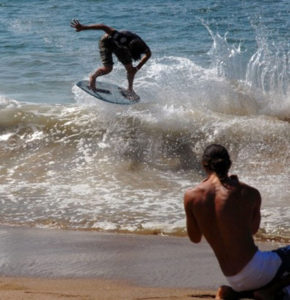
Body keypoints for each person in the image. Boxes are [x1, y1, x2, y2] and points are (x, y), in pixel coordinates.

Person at [183, 144, 290, 299]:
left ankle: (234, 292)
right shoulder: (249, 192)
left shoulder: (191, 196)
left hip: (233, 278)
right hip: (259, 271)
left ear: (203, 164)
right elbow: (252, 230)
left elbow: (195, 238)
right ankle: (272, 290)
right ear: (229, 164)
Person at [70, 19, 151, 100]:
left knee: (131, 70)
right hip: (106, 42)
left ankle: (130, 89)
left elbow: (148, 54)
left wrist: (137, 68)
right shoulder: (120, 37)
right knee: (108, 69)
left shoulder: (142, 45)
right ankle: (93, 77)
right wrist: (83, 27)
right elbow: (103, 26)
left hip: (121, 47)